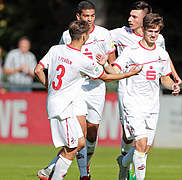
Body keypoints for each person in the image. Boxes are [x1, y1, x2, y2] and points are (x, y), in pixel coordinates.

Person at [34, 20, 141, 180]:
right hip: (64, 108)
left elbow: (38, 69)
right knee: (71, 148)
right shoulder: (82, 60)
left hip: (56, 102)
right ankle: (54, 175)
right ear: (84, 36)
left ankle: (52, 171)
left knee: (80, 142)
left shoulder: (56, 49)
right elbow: (106, 77)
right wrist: (129, 74)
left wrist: (50, 88)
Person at [36, 1, 117, 179]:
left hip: (96, 88)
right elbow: (62, 56)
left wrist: (107, 63)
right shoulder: (67, 35)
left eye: (92, 16)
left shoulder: (104, 34)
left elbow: (113, 62)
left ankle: (54, 167)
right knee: (79, 136)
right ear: (78, 16)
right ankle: (83, 174)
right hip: (77, 88)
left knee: (92, 133)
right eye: (86, 16)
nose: (89, 19)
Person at [104, 13, 180, 180]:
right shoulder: (132, 51)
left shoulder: (162, 54)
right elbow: (115, 70)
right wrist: (104, 63)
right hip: (132, 103)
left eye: (156, 31)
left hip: (152, 106)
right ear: (144, 30)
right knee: (141, 144)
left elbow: (165, 78)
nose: (153, 35)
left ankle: (123, 162)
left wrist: (172, 85)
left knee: (145, 148)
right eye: (150, 31)